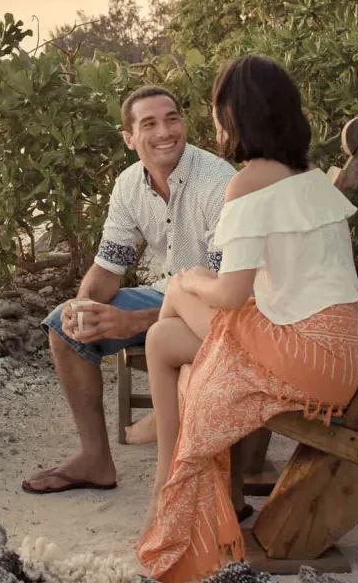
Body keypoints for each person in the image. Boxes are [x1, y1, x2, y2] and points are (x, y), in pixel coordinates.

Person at [137, 56, 358, 581]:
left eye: (219, 111)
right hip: (341, 348)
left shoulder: (246, 184)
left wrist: (190, 279)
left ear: (235, 116)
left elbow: (230, 293)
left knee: (181, 287)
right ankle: (167, 473)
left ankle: (169, 475)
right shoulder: (308, 179)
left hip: (310, 357)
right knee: (160, 339)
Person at [20, 84, 236, 495]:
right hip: (168, 293)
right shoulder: (128, 186)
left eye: (172, 118)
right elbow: (107, 267)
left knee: (155, 326)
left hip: (215, 308)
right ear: (129, 137)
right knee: (62, 327)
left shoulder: (217, 182)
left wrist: (130, 321)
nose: (165, 132)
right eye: (149, 123)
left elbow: (224, 300)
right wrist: (81, 305)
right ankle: (95, 459)